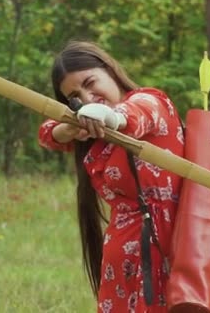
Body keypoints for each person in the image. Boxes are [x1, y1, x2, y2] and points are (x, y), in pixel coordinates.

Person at [38, 41, 184, 312]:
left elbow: (132, 116)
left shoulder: (150, 100)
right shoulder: (95, 135)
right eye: (76, 96)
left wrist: (105, 116)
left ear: (110, 70)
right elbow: (47, 134)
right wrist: (70, 126)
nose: (88, 97)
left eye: (91, 82)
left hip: (163, 248)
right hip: (120, 258)